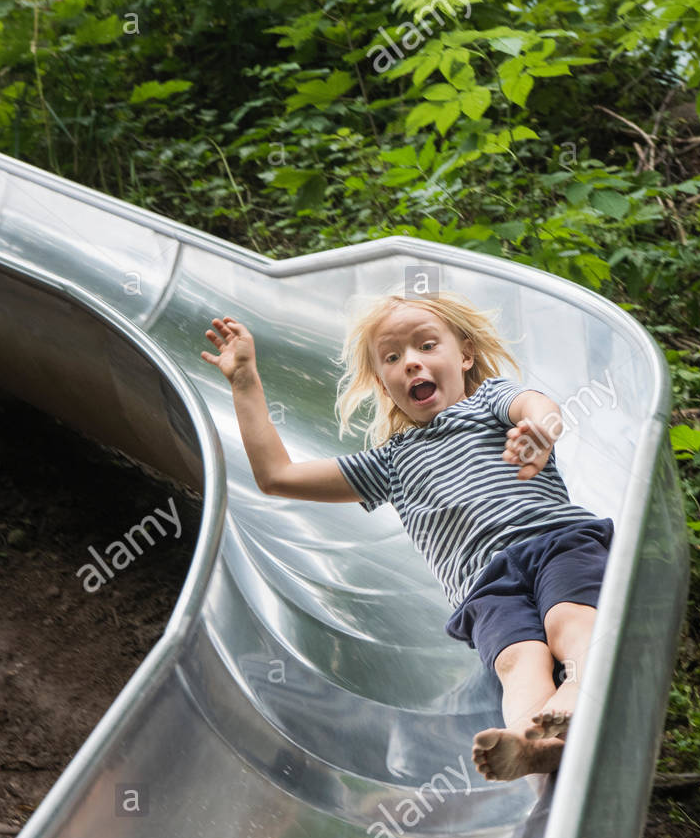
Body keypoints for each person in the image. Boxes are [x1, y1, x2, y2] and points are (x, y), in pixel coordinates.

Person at [201, 290, 614, 782]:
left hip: (554, 541)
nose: (412, 363)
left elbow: (538, 405)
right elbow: (277, 476)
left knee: (567, 620)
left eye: (425, 346)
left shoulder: (489, 401)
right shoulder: (390, 462)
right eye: (394, 358)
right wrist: (245, 380)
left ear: (464, 354)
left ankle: (575, 692)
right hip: (484, 586)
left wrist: (538, 432)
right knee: (516, 662)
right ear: (383, 382)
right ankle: (530, 743)